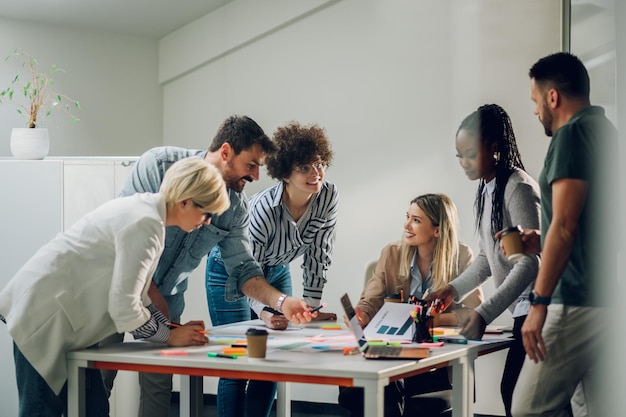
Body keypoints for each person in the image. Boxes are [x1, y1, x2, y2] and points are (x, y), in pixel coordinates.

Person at [100, 115, 313, 417]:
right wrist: (167, 326)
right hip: (119, 287)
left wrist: (282, 301)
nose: (255, 176)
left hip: (169, 299)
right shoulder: (159, 166)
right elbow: (125, 241)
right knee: (98, 381)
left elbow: (243, 269)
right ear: (226, 152)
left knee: (158, 388)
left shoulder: (236, 207)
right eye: (251, 165)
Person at [0, 157, 230, 417]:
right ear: (185, 201)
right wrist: (170, 337)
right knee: (42, 411)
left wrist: (171, 329)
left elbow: (139, 296)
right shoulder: (145, 224)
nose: (208, 221)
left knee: (94, 408)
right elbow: (124, 308)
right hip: (44, 320)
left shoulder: (148, 215)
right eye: (207, 212)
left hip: (66, 324)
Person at [206, 121, 339, 417]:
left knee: (272, 358)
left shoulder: (328, 197)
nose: (315, 173)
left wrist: (311, 307)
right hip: (231, 272)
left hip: (276, 270)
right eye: (304, 167)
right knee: (238, 360)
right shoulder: (263, 212)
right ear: (284, 173)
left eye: (319, 164)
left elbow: (319, 253)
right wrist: (265, 311)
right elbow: (247, 272)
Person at [510, 52, 617, 417]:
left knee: (527, 410)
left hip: (574, 298)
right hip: (606, 299)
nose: (536, 111)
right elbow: (593, 223)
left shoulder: (571, 135)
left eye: (535, 101)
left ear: (552, 97)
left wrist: (539, 303)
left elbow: (567, 226)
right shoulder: (605, 131)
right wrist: (540, 240)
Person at [427, 104, 540, 417]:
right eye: (459, 155)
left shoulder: (517, 187)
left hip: (539, 308)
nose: (463, 163)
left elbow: (530, 263)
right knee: (517, 396)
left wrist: (483, 314)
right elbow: (487, 259)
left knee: (520, 397)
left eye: (470, 154)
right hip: (523, 309)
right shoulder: (485, 190)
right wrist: (451, 289)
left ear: (494, 148)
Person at [338, 193, 483, 417]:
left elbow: (474, 312)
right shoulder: (392, 254)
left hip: (434, 362)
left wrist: (427, 319)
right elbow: (370, 301)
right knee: (370, 386)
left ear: (437, 229)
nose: (406, 225)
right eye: (407, 217)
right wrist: (361, 316)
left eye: (416, 220)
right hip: (392, 353)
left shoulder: (461, 256)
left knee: (380, 388)